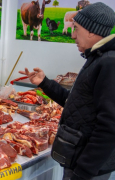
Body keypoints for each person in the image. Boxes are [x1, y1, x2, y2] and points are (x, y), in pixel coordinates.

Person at [19, 2, 115, 180]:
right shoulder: (97, 57)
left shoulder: (109, 63)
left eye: (76, 28)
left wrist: (83, 172)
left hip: (87, 169)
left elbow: (109, 126)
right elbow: (76, 103)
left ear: (91, 30)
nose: (72, 35)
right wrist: (45, 83)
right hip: (79, 162)